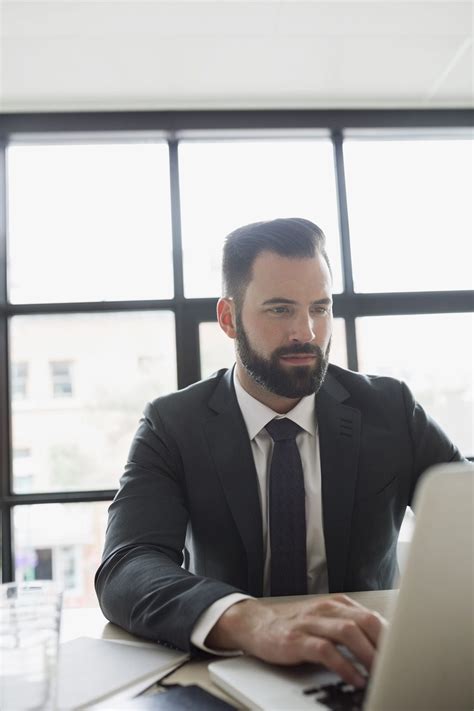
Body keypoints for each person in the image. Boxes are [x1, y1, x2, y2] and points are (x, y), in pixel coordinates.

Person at [95, 218, 464, 688]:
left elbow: (465, 515)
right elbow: (128, 566)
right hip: (229, 669)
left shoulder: (391, 409)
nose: (306, 333)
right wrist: (250, 621)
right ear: (229, 318)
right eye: (280, 310)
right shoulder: (173, 424)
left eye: (320, 308)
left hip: (369, 666)